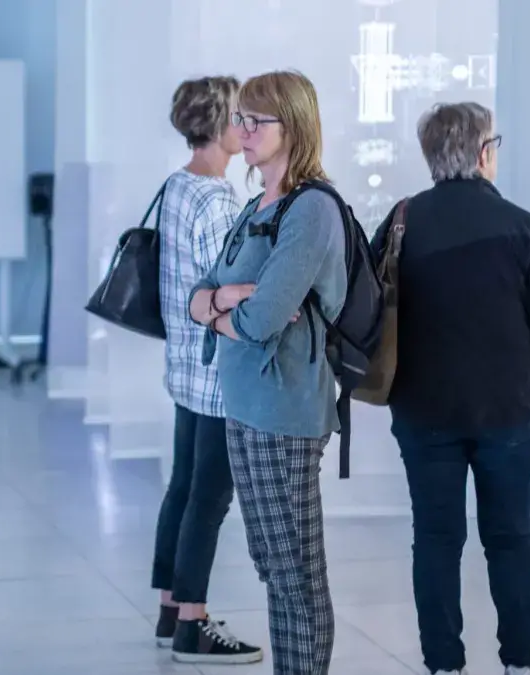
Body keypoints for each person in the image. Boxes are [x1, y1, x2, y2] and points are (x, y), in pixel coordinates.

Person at [372, 102, 530, 675]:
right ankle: (520, 663)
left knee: (435, 539)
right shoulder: (520, 226)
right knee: (510, 538)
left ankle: (443, 663)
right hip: (509, 413)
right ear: (484, 152)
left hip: (423, 411)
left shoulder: (403, 220)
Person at [189, 70, 346, 675]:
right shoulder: (258, 204)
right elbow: (200, 294)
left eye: (257, 121)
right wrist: (228, 299)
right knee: (271, 563)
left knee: (295, 574)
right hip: (245, 405)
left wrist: (224, 309)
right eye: (241, 119)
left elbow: (262, 319)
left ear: (295, 126)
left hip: (285, 413)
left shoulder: (312, 210)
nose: (243, 131)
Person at [152, 75, 263, 665]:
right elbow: (232, 286)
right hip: (216, 371)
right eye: (239, 118)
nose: (244, 129)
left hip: (183, 367)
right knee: (209, 497)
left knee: (184, 486)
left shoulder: (177, 186)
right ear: (220, 124)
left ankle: (172, 607)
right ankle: (193, 623)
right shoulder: (217, 199)